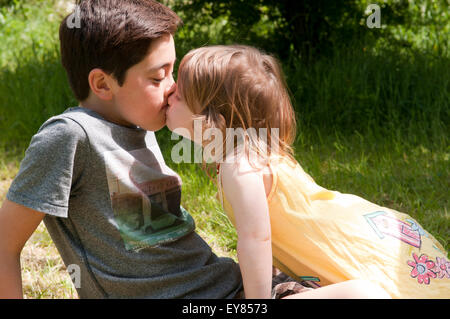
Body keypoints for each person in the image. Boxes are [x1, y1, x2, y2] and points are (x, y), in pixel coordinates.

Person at [0, 0, 382, 300]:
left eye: (173, 72)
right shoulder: (70, 136)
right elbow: (5, 245)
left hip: (234, 290)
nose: (171, 87)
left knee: (367, 290)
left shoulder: (140, 129)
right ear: (102, 83)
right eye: (157, 76)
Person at [165, 44, 449, 299]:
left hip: (353, 251)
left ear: (211, 121)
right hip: (363, 235)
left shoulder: (240, 166)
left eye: (180, 95)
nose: (169, 93)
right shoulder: (252, 154)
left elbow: (257, 239)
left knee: (364, 295)